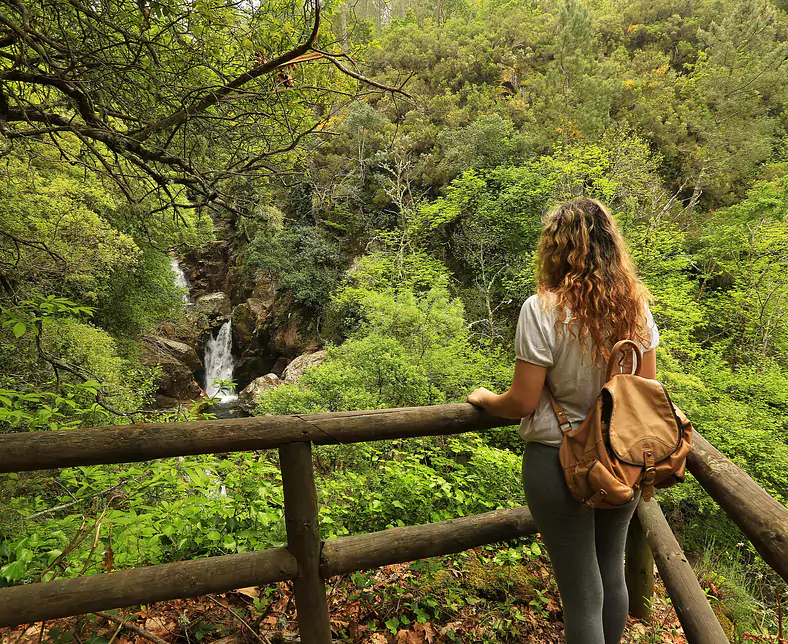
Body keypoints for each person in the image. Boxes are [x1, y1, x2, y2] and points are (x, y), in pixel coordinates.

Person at [467, 197, 659, 644]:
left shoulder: (542, 309)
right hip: (622, 458)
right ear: (611, 245)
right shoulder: (636, 308)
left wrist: (484, 399)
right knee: (611, 571)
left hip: (558, 459)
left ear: (556, 248)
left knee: (581, 591)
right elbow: (643, 393)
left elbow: (522, 401)